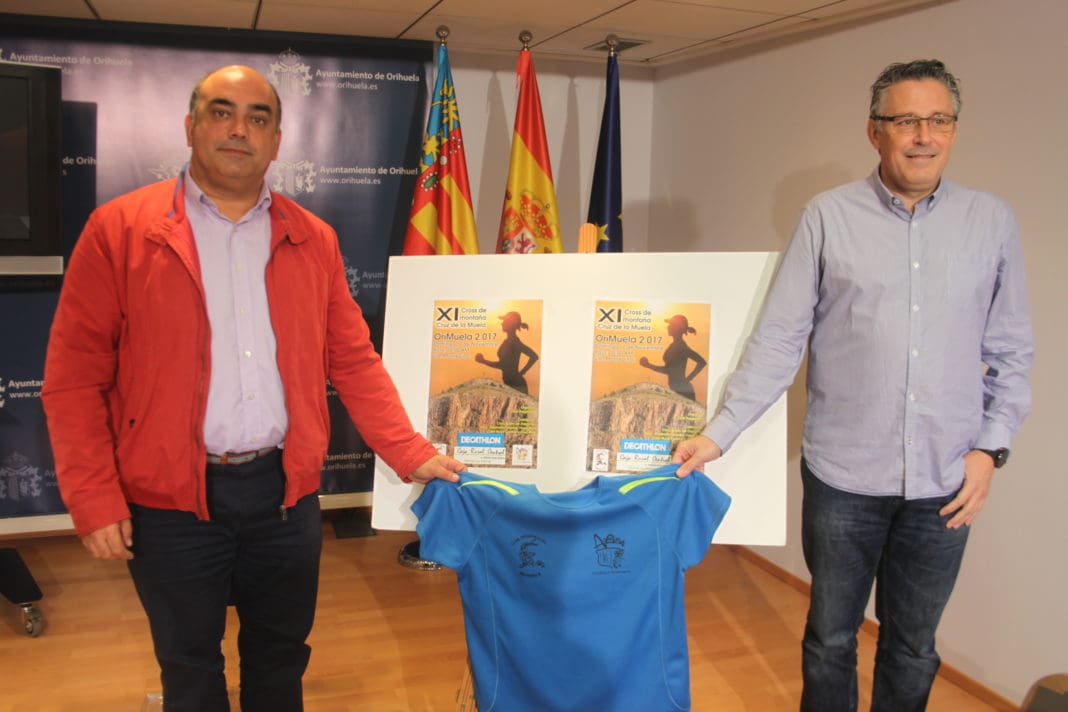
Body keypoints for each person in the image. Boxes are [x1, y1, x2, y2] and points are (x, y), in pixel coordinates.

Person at [41, 65, 464, 712]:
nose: (239, 129)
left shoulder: (313, 238)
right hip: (169, 504)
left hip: (283, 497)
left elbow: (353, 360)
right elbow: (74, 379)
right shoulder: (118, 230)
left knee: (280, 660)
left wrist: (410, 451)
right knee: (189, 665)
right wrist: (94, 497)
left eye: (257, 117)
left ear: (276, 139)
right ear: (191, 127)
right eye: (221, 112)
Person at [673, 59, 1033, 712]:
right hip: (843, 480)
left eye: (939, 120)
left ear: (954, 130)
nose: (923, 136)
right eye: (906, 121)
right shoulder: (827, 217)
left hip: (945, 483)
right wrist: (719, 434)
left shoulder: (991, 221)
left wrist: (991, 450)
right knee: (831, 638)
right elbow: (779, 341)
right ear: (875, 131)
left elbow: (1011, 351)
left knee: (914, 647)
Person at [638, 314, 707, 400]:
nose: (668, 327)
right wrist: (688, 378)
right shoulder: (675, 345)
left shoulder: (680, 347)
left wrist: (648, 365)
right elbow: (701, 362)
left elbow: (669, 370)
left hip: (683, 393)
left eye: (671, 325)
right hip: (679, 390)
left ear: (677, 328)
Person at [474, 310, 539, 394]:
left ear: (511, 324)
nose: (502, 323)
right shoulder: (509, 341)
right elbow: (533, 357)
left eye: (504, 321)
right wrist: (521, 373)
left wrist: (484, 361)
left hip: (516, 385)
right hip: (511, 384)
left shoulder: (514, 342)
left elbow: (534, 356)